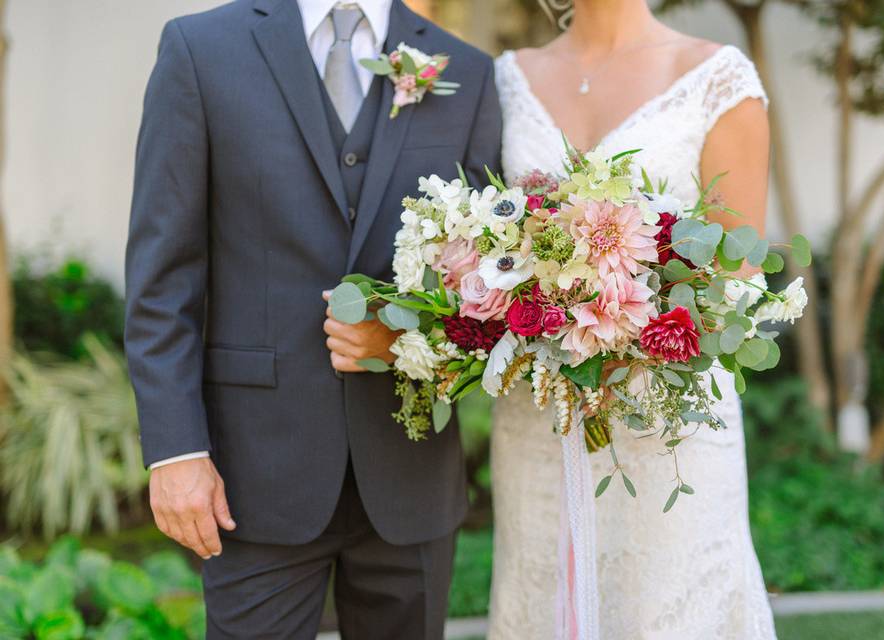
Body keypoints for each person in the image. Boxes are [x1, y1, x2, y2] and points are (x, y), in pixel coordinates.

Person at [124, 1, 500, 637]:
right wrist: (175, 450)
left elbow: (494, 280)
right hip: (252, 477)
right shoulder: (200, 49)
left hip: (409, 476)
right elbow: (164, 277)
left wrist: (409, 340)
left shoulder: (463, 69)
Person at [488, 0, 777, 637]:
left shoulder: (716, 77)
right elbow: (487, 242)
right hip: (542, 416)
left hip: (670, 421)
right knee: (545, 598)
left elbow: (740, 279)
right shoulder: (507, 77)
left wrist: (632, 334)